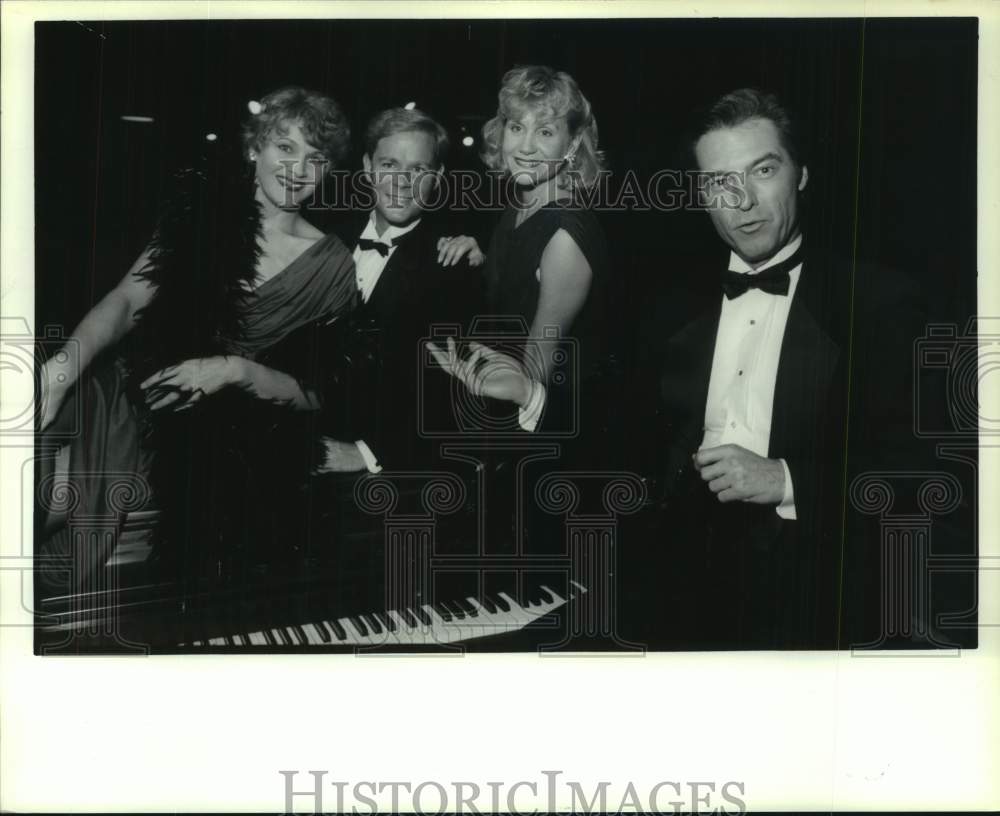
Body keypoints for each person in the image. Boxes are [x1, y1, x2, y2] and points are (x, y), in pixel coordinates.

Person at [633, 88, 929, 649]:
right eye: (719, 181)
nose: (741, 199)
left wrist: (786, 480)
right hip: (677, 582)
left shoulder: (882, 302)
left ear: (802, 175)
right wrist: (533, 394)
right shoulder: (665, 304)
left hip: (816, 586)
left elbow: (923, 477)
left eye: (762, 169)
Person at [36, 86, 358, 593]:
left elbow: (315, 393)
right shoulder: (198, 213)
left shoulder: (333, 264)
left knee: (54, 503)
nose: (297, 168)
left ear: (328, 169)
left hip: (207, 433)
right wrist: (59, 371)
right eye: (285, 147)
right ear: (255, 148)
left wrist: (232, 370)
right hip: (121, 395)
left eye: (315, 157)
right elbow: (124, 302)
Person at [428, 65, 615, 452]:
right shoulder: (520, 207)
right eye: (517, 128)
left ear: (572, 142)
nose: (525, 147)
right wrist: (480, 259)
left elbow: (536, 373)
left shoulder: (565, 235)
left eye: (545, 132)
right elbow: (513, 298)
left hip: (550, 440)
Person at [305, 105, 483, 476]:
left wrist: (368, 454)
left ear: (437, 177)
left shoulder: (453, 264)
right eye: (389, 165)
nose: (402, 181)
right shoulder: (324, 239)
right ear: (368, 168)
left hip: (389, 473)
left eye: (418, 169)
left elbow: (453, 394)